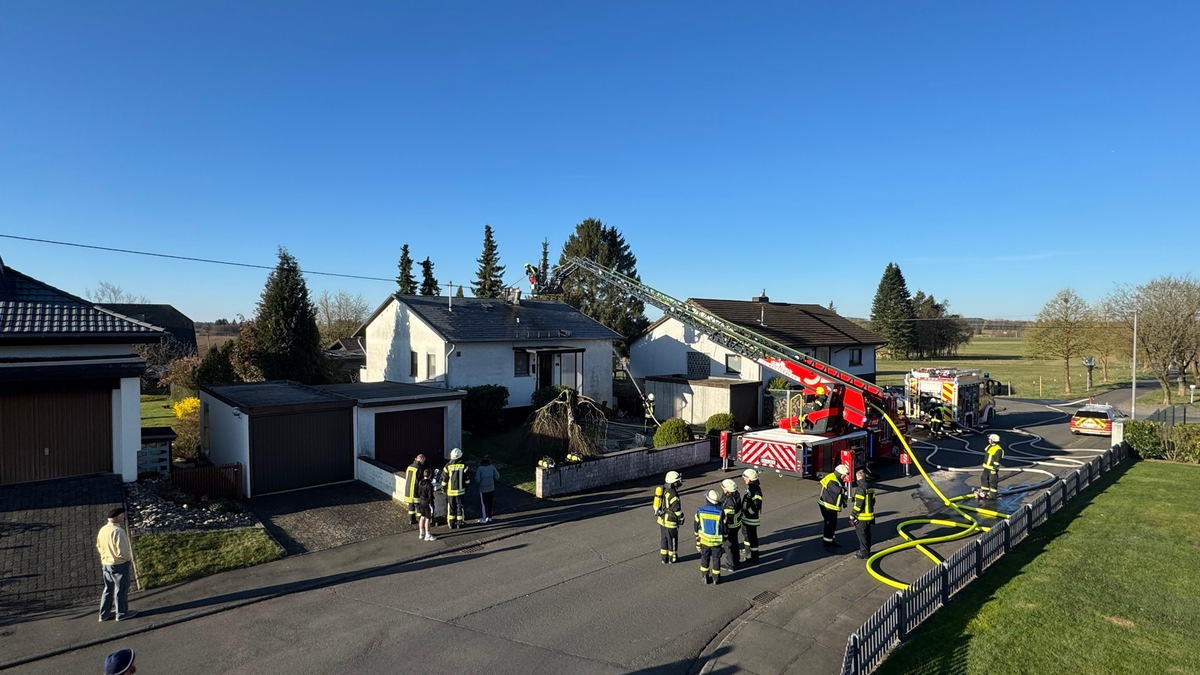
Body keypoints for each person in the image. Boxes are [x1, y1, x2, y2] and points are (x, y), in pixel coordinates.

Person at [96, 507, 137, 621]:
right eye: (122, 515)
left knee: (108, 589)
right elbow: (122, 551)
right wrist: (128, 559)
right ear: (116, 517)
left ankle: (104, 614)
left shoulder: (103, 530)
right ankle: (122, 613)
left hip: (106, 563)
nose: (123, 517)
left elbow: (99, 546)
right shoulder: (118, 531)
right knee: (121, 589)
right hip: (119, 564)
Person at [694, 490, 727, 585]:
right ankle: (716, 578)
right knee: (716, 558)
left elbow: (696, 525)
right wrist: (725, 536)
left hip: (704, 540)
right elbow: (724, 527)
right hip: (716, 541)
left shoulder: (700, 510)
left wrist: (697, 536)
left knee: (704, 557)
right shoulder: (721, 512)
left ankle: (705, 576)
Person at [653, 471, 685, 563]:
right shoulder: (673, 493)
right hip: (670, 521)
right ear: (674, 482)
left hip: (661, 519)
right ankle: (673, 558)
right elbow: (676, 509)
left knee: (664, 539)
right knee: (672, 540)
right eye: (678, 481)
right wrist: (681, 518)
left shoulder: (663, 489)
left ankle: (664, 558)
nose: (679, 483)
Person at [818, 464, 849, 550]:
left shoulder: (834, 478)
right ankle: (827, 544)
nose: (844, 477)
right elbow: (838, 490)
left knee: (832, 525)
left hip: (830, 507)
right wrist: (844, 489)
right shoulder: (832, 480)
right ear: (839, 473)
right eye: (844, 475)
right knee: (829, 525)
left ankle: (831, 541)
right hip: (827, 507)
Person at [850, 469, 876, 559]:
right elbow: (873, 501)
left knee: (862, 535)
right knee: (868, 534)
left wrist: (853, 514)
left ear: (858, 477)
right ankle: (867, 550)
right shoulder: (870, 486)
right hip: (870, 516)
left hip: (862, 516)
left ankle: (863, 553)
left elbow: (859, 504)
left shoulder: (860, 488)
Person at [740, 468, 763, 565]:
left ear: (750, 478)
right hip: (747, 518)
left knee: (752, 537)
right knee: (747, 535)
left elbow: (756, 505)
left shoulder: (755, 490)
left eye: (745, 477)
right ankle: (748, 552)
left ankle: (754, 557)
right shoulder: (751, 487)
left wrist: (748, 512)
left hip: (751, 519)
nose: (744, 479)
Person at [719, 478, 743, 571]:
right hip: (736, 524)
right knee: (735, 542)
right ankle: (736, 561)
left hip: (731, 525)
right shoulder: (736, 495)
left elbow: (727, 515)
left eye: (723, 487)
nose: (722, 488)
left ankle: (730, 564)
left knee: (728, 545)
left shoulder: (730, 500)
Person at [444, 448, 468, 529]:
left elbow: (444, 479)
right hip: (460, 491)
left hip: (450, 491)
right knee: (459, 507)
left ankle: (451, 523)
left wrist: (444, 489)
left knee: (451, 507)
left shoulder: (447, 466)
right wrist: (467, 487)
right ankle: (459, 523)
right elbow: (467, 479)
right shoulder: (464, 465)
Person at [475, 455, 500, 524]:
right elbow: (497, 476)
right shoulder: (492, 467)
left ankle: (484, 518)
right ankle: (490, 517)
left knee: (483, 504)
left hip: (483, 489)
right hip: (491, 488)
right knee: (490, 503)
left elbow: (477, 480)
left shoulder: (480, 469)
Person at [404, 454, 426, 525]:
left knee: (411, 505)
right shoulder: (419, 468)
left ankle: (411, 520)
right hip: (415, 490)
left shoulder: (409, 466)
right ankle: (420, 521)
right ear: (421, 459)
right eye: (423, 461)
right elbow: (421, 480)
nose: (423, 463)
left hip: (408, 489)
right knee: (418, 506)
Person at [981, 433, 1004, 499]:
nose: (988, 440)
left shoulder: (998, 449)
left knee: (993, 480)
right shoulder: (989, 447)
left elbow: (997, 461)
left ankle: (993, 494)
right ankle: (985, 491)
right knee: (984, 478)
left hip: (992, 468)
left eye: (990, 439)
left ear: (993, 440)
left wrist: (994, 469)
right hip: (986, 467)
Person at [417, 468, 437, 541]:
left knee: (422, 517)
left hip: (421, 501)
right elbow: (430, 496)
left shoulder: (420, 482)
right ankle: (427, 534)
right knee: (428, 518)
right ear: (430, 475)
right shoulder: (429, 485)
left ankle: (421, 533)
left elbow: (418, 492)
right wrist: (431, 505)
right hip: (427, 502)